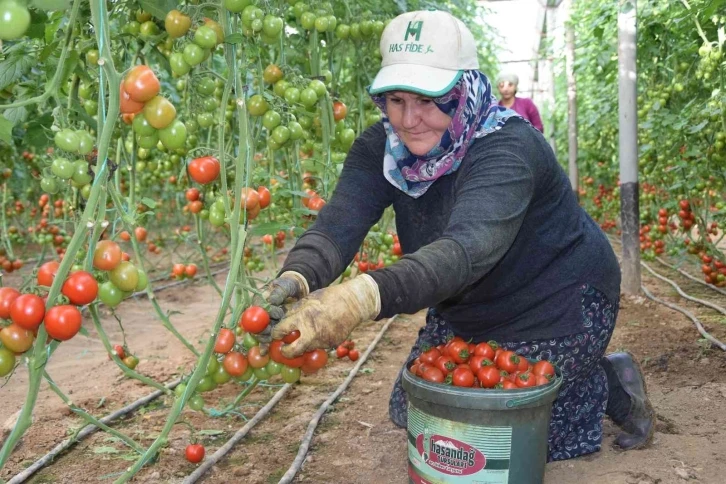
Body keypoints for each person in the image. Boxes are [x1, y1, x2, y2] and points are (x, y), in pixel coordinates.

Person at [259, 10, 655, 462]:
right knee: (420, 410)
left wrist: (360, 299)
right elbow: (338, 224)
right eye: (396, 99)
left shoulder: (507, 147)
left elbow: (467, 249)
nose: (409, 120)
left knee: (506, 436)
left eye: (429, 100)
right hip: (470, 307)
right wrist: (295, 278)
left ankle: (610, 384)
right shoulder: (382, 148)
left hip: (559, 299)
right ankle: (581, 375)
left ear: (463, 89)